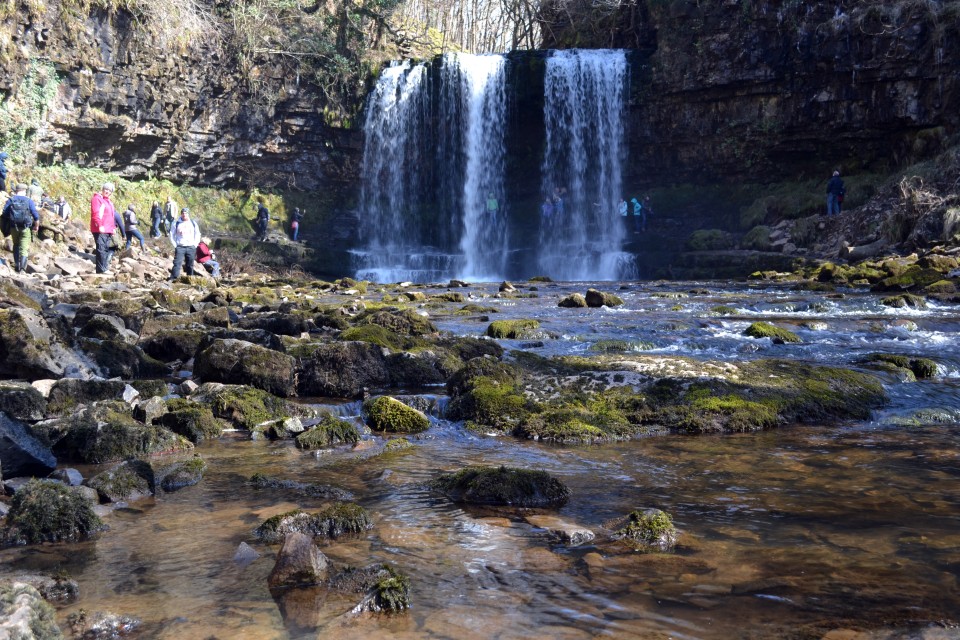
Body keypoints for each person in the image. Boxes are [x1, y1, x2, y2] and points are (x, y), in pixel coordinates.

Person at [1, 183, 40, 273]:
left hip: (13, 227)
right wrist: (36, 226)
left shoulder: (11, 200)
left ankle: (16, 266)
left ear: (17, 190)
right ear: (24, 191)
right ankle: (22, 269)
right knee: (24, 247)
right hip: (25, 228)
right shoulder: (29, 201)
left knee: (16, 245)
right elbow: (35, 215)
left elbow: (4, 213)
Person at [90, 182, 118, 274]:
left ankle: (103, 268)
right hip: (100, 229)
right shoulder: (97, 199)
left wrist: (113, 228)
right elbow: (95, 214)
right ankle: (102, 270)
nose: (107, 191)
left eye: (109, 190)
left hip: (108, 229)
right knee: (101, 249)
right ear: (102, 189)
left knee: (105, 249)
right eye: (106, 189)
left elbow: (111, 216)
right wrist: (99, 225)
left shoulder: (109, 202)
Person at [170, 207, 201, 280]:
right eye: (183, 213)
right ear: (181, 214)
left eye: (186, 213)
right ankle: (173, 278)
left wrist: (195, 244)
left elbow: (197, 234)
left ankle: (190, 278)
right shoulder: (176, 223)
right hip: (180, 247)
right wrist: (175, 245)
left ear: (188, 214)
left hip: (191, 247)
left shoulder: (193, 223)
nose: (184, 215)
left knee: (190, 264)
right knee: (177, 263)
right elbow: (171, 235)